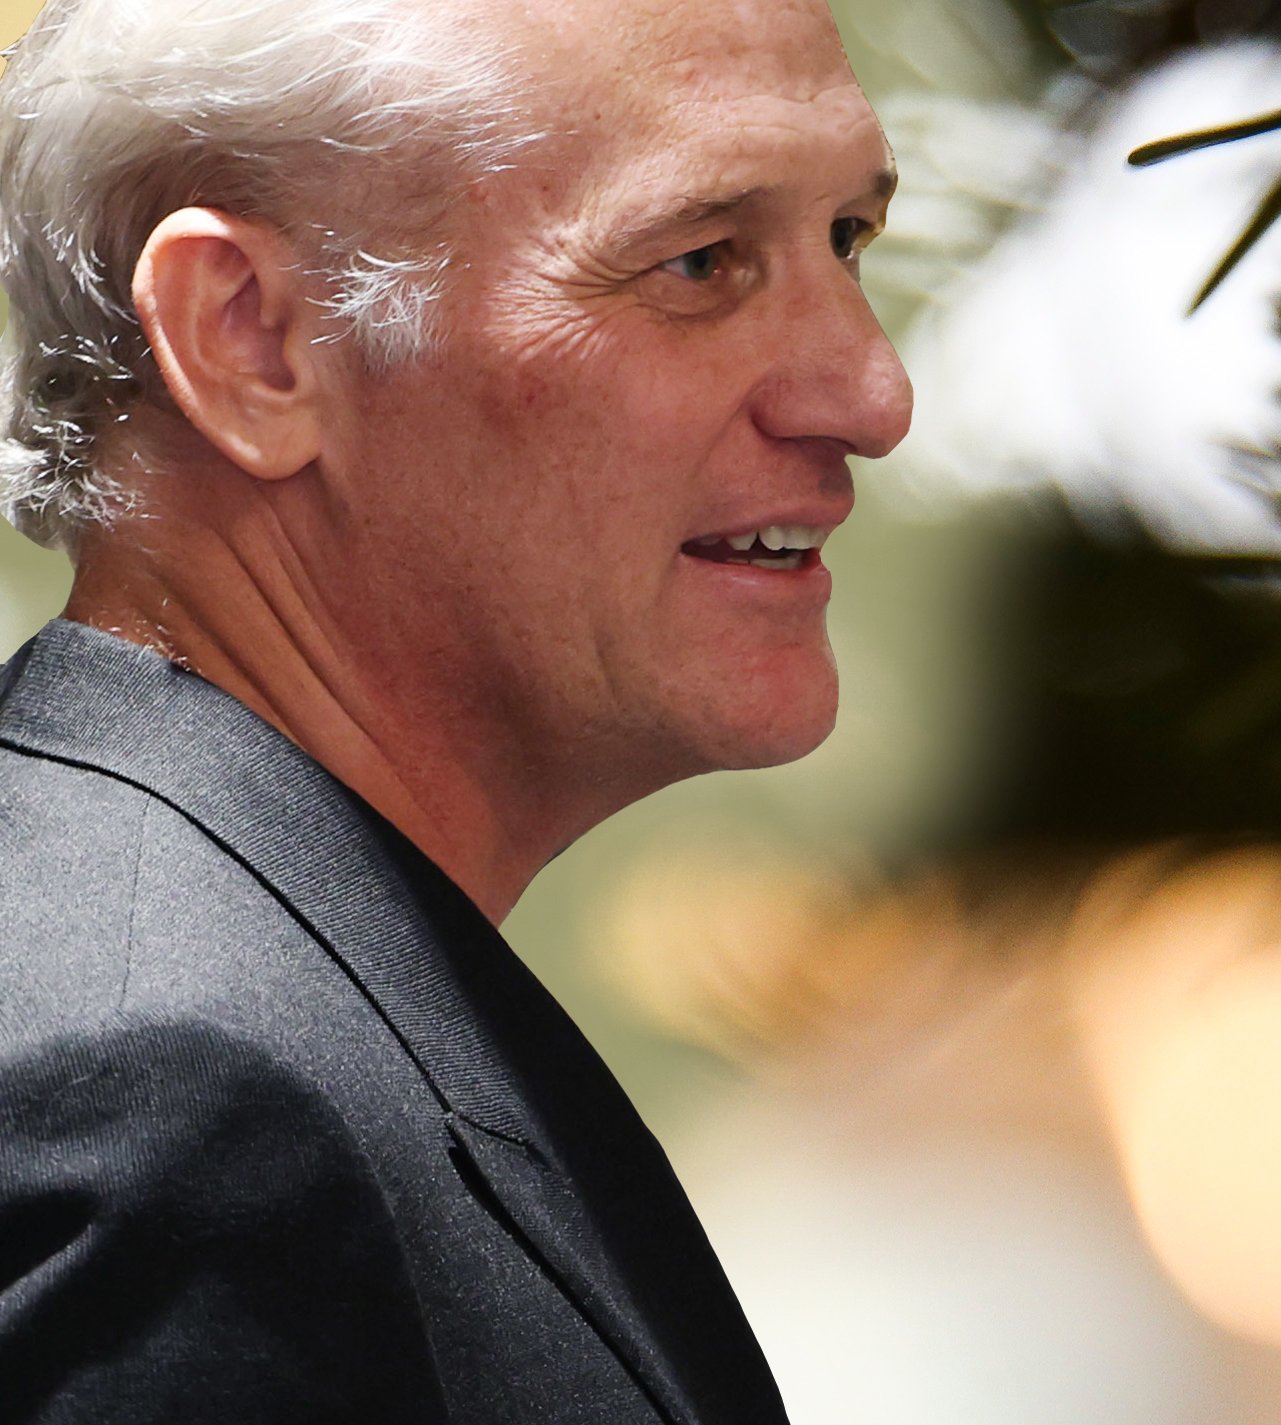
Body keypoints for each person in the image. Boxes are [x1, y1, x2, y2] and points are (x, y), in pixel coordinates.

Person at [0, 0, 912, 1416]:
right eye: (699, 260)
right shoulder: (180, 1105)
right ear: (251, 340)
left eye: (848, 237)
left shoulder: (205, 992)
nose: (870, 393)